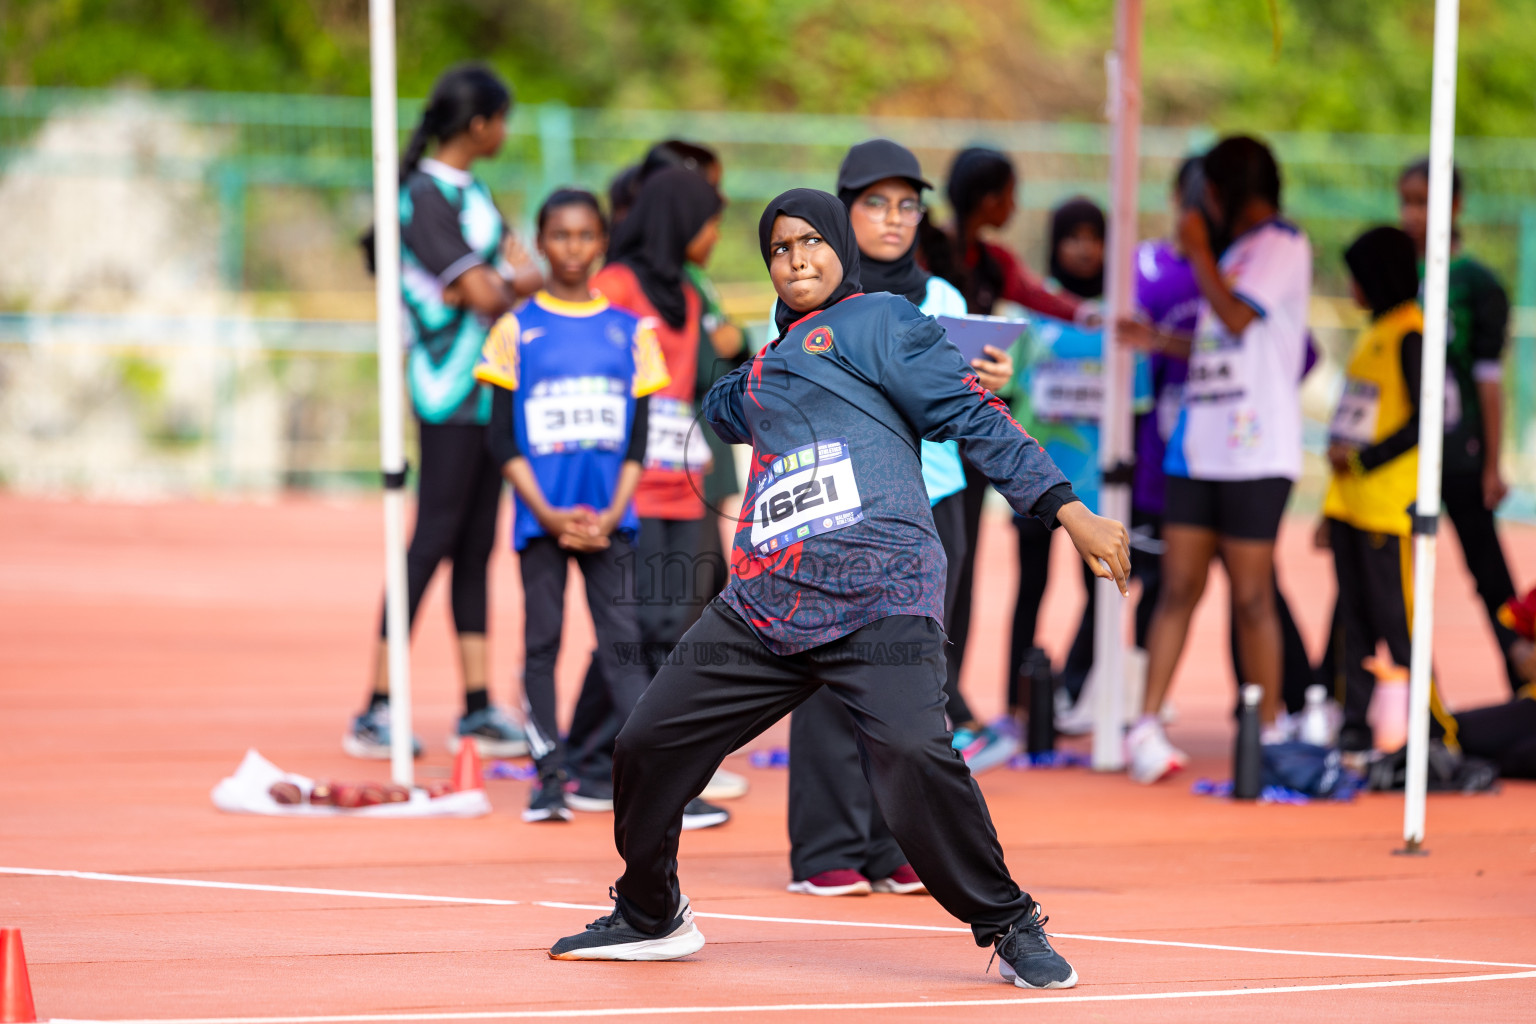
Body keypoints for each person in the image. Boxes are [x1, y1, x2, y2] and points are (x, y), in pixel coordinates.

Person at [547, 189, 1130, 991]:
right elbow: (724, 408)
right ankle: (652, 912)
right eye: (781, 249)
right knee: (647, 744)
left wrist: (1067, 509)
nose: (797, 259)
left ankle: (1008, 922)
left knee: (915, 754)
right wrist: (731, 374)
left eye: (813, 241)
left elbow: (974, 415)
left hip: (879, 590)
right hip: (766, 605)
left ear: (842, 251)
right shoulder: (767, 366)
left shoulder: (881, 321)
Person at [783, 140, 1016, 899]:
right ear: (844, 212)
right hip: (837, 506)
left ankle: (895, 844)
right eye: (875, 203)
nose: (893, 219)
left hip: (933, 502)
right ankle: (828, 844)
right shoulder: (809, 290)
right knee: (826, 671)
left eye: (908, 204)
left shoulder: (944, 297)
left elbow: (963, 407)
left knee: (916, 678)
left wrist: (989, 382)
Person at [347, 64, 539, 761]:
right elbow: (489, 288)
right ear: (481, 124)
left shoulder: (472, 193)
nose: (506, 133)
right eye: (503, 120)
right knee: (431, 539)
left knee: (475, 547)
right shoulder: (423, 197)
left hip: (488, 386)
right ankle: (374, 705)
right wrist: (507, 283)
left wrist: (502, 282)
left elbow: (500, 279)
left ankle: (479, 706)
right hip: (446, 389)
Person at [564, 144, 751, 812]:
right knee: (634, 625)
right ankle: (604, 767)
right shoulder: (615, 285)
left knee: (675, 624)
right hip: (632, 483)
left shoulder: (688, 292)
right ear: (676, 219)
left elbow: (706, 375)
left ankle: (589, 758)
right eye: (707, 221)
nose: (714, 236)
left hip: (686, 476)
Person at [473, 189, 668, 821]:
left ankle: (646, 786)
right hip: (541, 519)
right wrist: (548, 512)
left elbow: (638, 437)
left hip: (611, 520)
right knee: (543, 642)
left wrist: (612, 511)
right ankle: (548, 777)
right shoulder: (515, 329)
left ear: (602, 244)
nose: (573, 249)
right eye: (560, 236)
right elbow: (500, 438)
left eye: (586, 236)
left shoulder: (630, 333)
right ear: (541, 240)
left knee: (623, 646)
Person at [1120, 136, 1311, 783]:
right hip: (1199, 448)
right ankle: (1144, 725)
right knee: (1178, 587)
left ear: (1223, 194)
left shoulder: (1283, 245)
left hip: (1257, 452)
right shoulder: (1229, 252)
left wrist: (1198, 251)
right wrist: (1159, 340)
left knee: (1253, 596)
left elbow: (1233, 319)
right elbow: (1215, 343)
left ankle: (1270, 728)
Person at [929, 148, 1091, 758]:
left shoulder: (993, 262)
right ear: (984, 195)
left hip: (968, 425)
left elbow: (1038, 295)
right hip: (922, 430)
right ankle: (931, 690)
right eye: (1007, 194)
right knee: (934, 562)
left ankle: (952, 691)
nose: (1015, 207)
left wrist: (1095, 315)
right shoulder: (929, 253)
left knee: (964, 563)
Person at [1321, 226, 1463, 753]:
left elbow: (1433, 418)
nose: (1351, 287)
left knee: (1397, 624)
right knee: (1353, 623)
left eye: (1357, 277)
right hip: (1351, 505)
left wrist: (1363, 459)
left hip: (1388, 508)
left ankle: (1435, 733)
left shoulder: (1412, 333)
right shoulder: (1374, 329)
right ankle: (1353, 726)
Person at [1398, 158, 1521, 690]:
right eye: (1405, 201)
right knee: (1375, 575)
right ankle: (1334, 695)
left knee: (1491, 578)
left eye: (1423, 202)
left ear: (1454, 205)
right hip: (1400, 457)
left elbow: (1489, 382)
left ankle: (1524, 684)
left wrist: (1493, 462)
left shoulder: (1477, 285)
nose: (1412, 215)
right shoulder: (1397, 277)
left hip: (1463, 454)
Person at [1004, 197, 1110, 720]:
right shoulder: (1032, 313)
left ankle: (1069, 689)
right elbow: (1004, 391)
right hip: (1035, 476)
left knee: (1101, 590)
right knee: (1031, 589)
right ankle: (1016, 701)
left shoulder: (1115, 319)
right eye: (1073, 236)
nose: (1085, 248)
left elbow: (1132, 402)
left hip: (1097, 486)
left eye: (1094, 236)